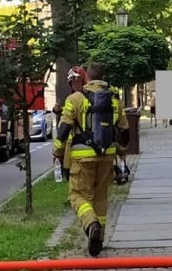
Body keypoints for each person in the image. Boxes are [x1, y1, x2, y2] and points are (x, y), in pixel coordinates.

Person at [53, 62, 129, 256]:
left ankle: (90, 224)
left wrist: (57, 153)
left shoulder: (75, 99)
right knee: (101, 197)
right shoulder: (114, 100)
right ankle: (100, 238)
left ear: (87, 77)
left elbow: (63, 131)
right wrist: (121, 153)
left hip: (81, 157)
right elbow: (125, 133)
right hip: (106, 157)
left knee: (78, 195)